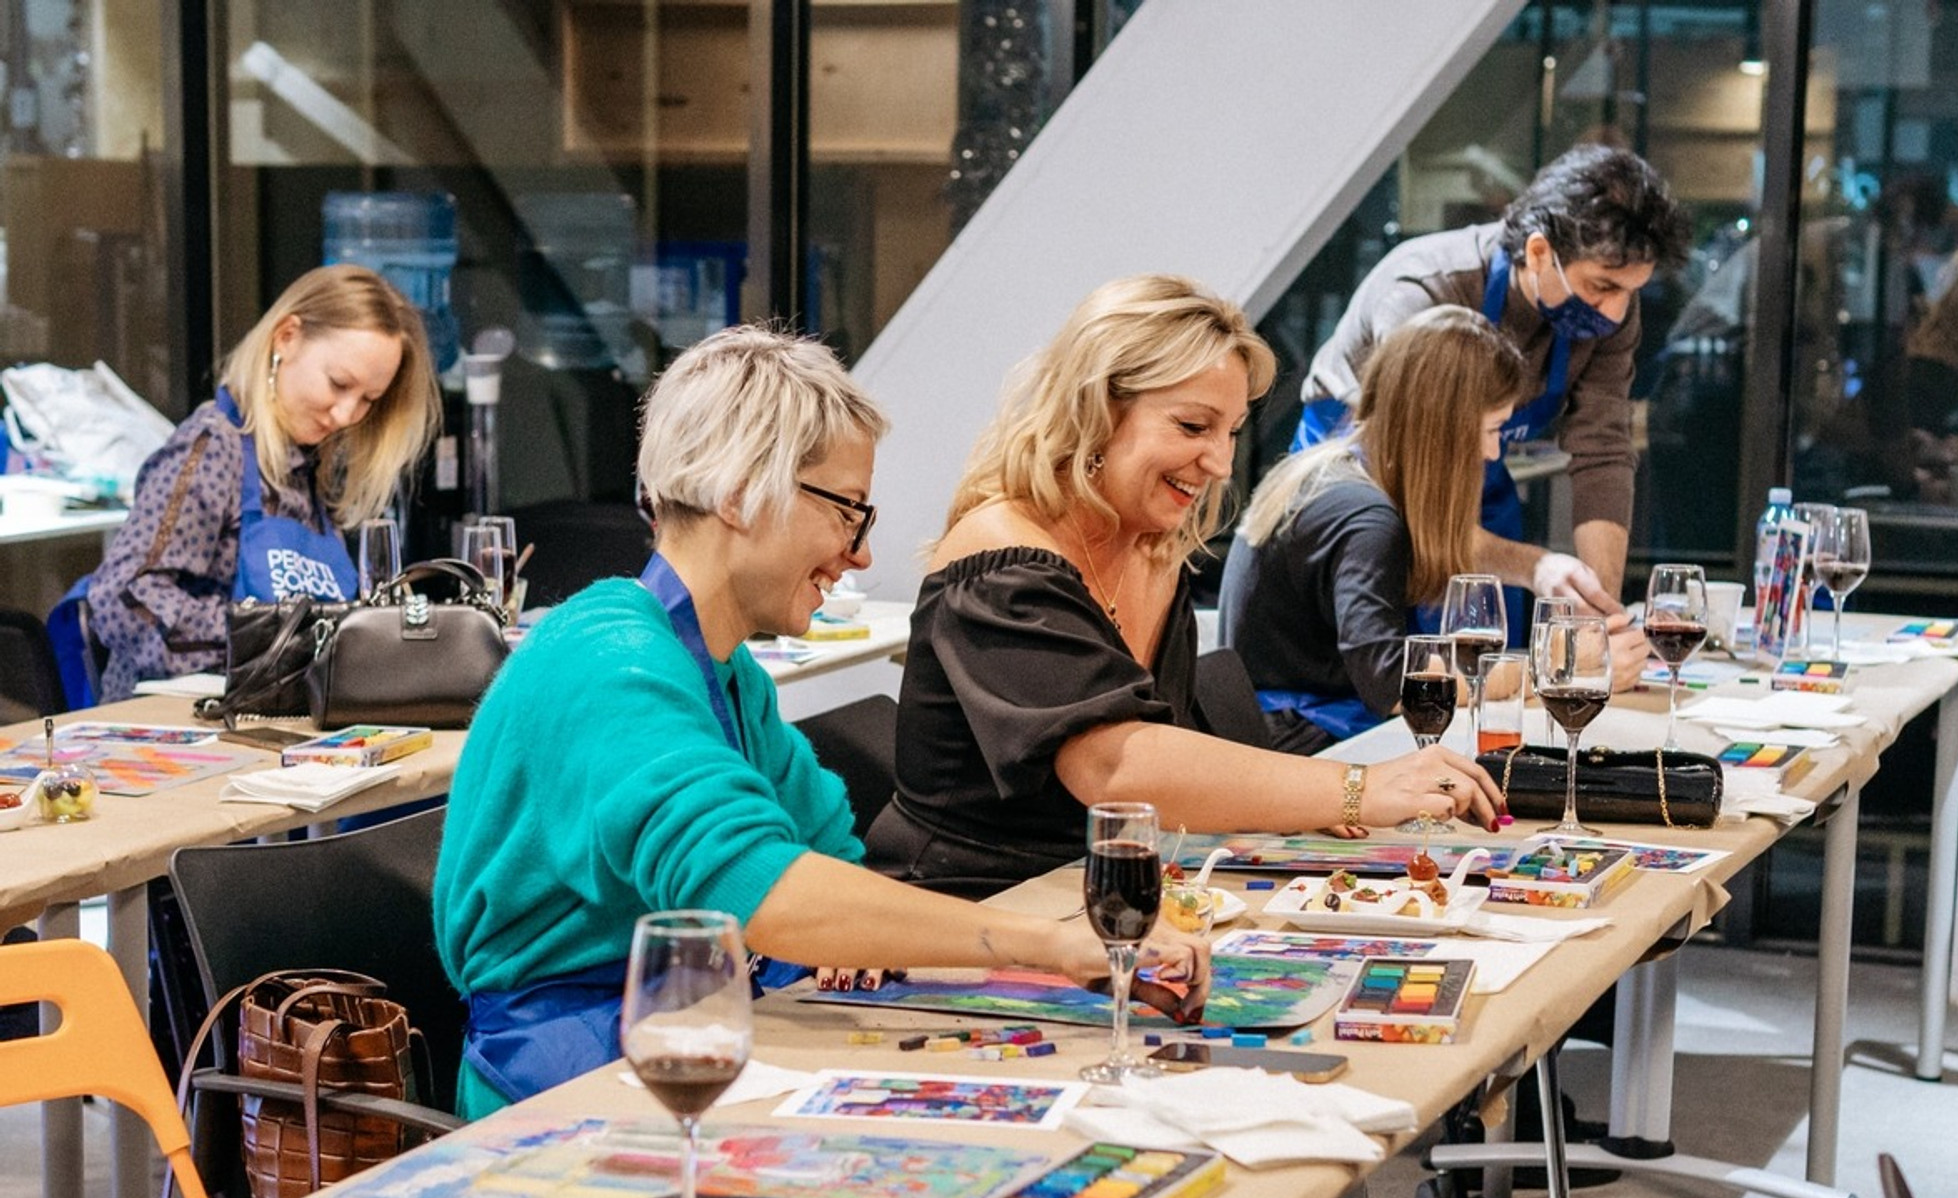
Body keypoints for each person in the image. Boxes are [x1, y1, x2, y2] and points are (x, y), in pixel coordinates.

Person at [432, 325, 1208, 1119]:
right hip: (565, 1088)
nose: (860, 553)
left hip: (684, 1036)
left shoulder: (719, 666)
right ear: (737, 492)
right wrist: (1054, 945)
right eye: (847, 511)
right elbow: (763, 892)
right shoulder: (610, 662)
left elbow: (831, 858)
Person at [867, 275, 1504, 902]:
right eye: (1194, 427)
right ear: (1095, 408)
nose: (1222, 464)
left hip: (1091, 895)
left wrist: (1296, 796)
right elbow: (1115, 767)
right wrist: (1352, 786)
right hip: (963, 907)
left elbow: (1164, 756)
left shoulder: (1151, 548)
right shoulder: (1001, 556)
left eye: (1230, 433)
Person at [1294, 144, 1692, 631]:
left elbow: (1603, 450)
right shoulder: (1426, 289)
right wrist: (1536, 566)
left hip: (1479, 471)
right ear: (1540, 251)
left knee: (1493, 646)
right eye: (1602, 287)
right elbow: (1422, 495)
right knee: (1392, 657)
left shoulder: (1613, 314)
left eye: (1631, 292)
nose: (1614, 313)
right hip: (1370, 470)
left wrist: (1600, 612)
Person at [86, 265, 441, 701]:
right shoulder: (214, 448)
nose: (347, 414)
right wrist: (266, 637)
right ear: (286, 337)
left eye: (368, 400)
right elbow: (121, 596)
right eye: (339, 383)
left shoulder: (315, 472)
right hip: (187, 725)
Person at [1218, 307, 1529, 755]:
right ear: (1442, 430)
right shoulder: (1370, 521)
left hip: (1270, 734)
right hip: (1304, 748)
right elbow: (1392, 685)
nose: (1492, 451)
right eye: (1490, 430)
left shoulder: (1325, 472)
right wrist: (1537, 674)